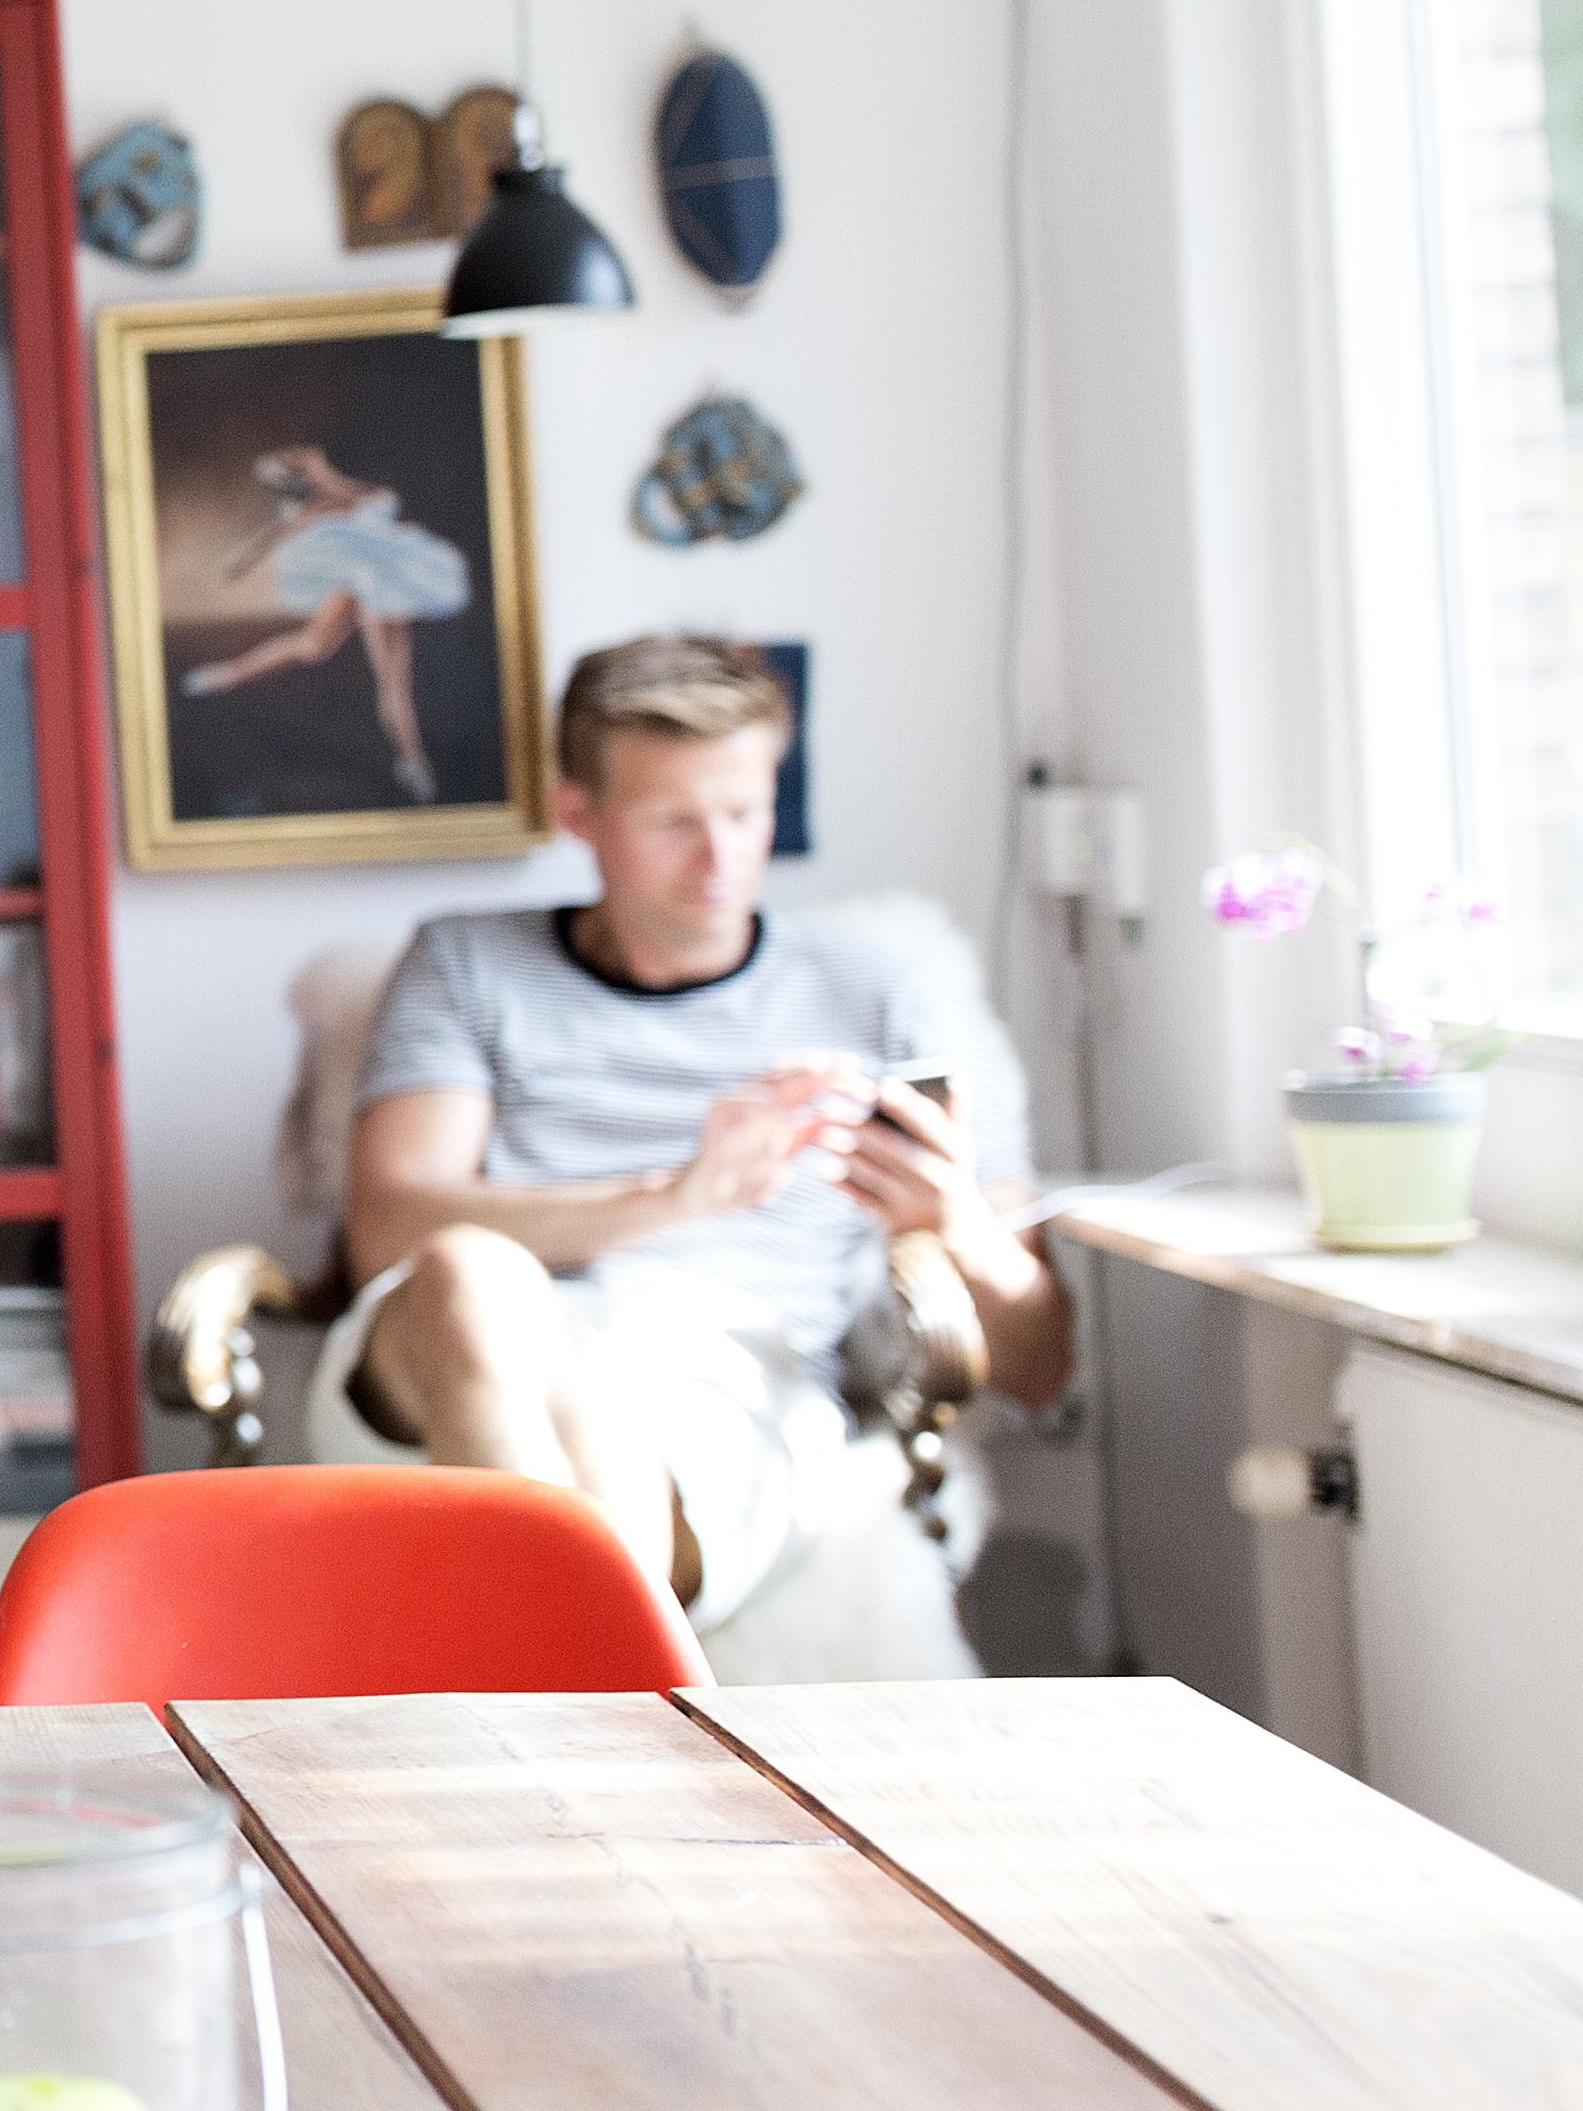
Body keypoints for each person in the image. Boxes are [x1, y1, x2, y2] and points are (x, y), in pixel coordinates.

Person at [318, 635, 1071, 1637]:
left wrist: (956, 1223)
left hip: (728, 1377)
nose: (720, 861)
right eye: (673, 821)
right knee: (465, 1272)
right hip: (445, 1362)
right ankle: (619, 1703)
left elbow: (1040, 1364)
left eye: (745, 813)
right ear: (578, 813)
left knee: (609, 1437)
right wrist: (677, 1194)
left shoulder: (882, 991)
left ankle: (562, 1679)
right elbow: (386, 1233)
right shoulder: (468, 963)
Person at [183, 445, 476, 802]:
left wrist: (320, 474)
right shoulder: (310, 509)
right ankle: (228, 673)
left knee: (391, 680)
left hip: (381, 585)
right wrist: (245, 566)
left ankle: (412, 762)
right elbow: (277, 536)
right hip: (355, 580)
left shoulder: (348, 493)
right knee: (312, 647)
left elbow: (369, 504)